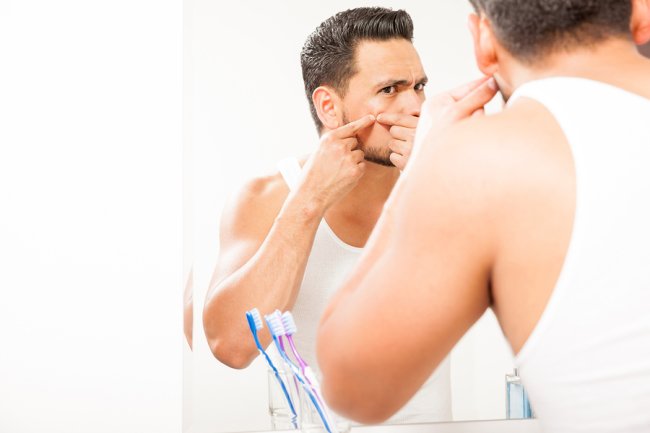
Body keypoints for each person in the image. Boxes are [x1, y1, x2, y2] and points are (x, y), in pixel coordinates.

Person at [317, 0, 650, 431]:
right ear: (642, 13)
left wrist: (426, 169)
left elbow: (352, 388)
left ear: (484, 43)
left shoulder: (481, 162)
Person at [202, 7, 495, 423]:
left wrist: (438, 183)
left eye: (420, 86)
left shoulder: (442, 180)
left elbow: (521, 297)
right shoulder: (266, 196)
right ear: (328, 105)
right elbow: (230, 345)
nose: (415, 106)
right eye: (391, 89)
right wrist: (309, 202)